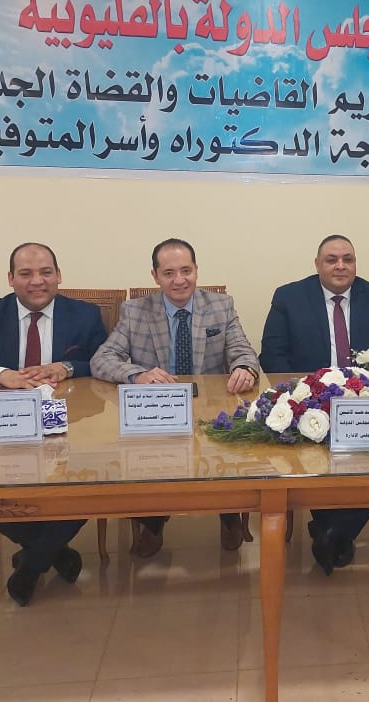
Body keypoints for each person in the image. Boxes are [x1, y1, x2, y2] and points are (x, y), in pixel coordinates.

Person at [0, 242, 107, 606]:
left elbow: (106, 360)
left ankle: (32, 563)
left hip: (67, 424)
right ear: (11, 278)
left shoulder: (84, 314)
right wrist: (1, 375)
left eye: (45, 272)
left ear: (58, 276)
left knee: (91, 480)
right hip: (3, 424)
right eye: (26, 274)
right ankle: (49, 552)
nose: (37, 282)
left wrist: (67, 367)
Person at [91, 238, 260, 556]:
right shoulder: (135, 311)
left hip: (210, 408)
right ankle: (153, 522)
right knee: (145, 453)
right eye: (169, 273)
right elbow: (101, 360)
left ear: (197, 270)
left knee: (228, 445)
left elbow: (243, 350)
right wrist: (138, 375)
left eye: (186, 270)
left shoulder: (220, 305)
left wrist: (244, 368)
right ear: (155, 276)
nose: (179, 280)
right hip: (158, 410)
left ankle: (229, 515)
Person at [258, 234, 369, 575]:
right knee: (314, 450)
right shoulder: (289, 297)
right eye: (331, 259)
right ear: (317, 265)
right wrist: (301, 395)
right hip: (310, 403)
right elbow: (272, 355)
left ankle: (332, 531)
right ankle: (335, 531)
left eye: (348, 259)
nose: (340, 266)